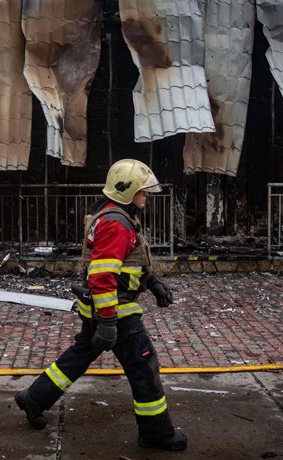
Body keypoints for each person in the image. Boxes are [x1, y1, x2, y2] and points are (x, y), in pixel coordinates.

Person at [15, 158, 186, 451]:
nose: (146, 196)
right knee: (143, 368)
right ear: (127, 191)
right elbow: (103, 276)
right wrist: (107, 323)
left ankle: (34, 398)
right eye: (142, 191)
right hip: (116, 312)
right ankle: (156, 433)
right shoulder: (116, 224)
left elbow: (126, 264)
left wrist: (152, 282)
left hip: (104, 308)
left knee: (81, 354)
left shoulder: (111, 213)